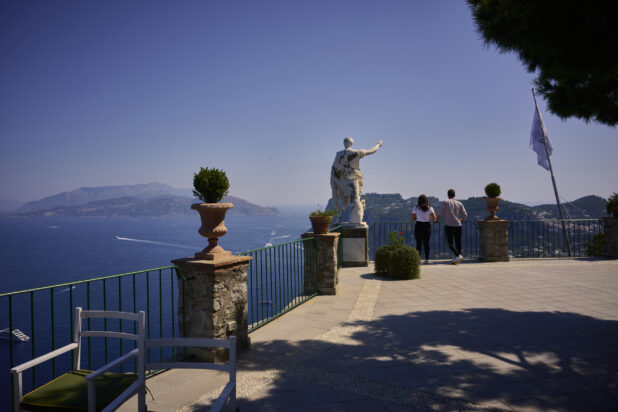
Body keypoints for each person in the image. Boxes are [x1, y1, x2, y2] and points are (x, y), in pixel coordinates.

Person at [330, 137, 383, 224]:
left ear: (344, 143)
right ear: (352, 143)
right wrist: (378, 144)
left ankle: (339, 218)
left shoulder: (338, 154)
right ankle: (356, 219)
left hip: (343, 181)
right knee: (355, 199)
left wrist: (335, 186)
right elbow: (372, 151)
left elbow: (334, 170)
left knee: (345, 201)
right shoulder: (356, 152)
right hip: (353, 179)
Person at [436, 189, 467, 264]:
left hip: (449, 225)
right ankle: (457, 258)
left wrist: (437, 220)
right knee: (458, 242)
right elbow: (465, 215)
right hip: (458, 225)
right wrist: (461, 220)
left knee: (449, 242)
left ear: (448, 195)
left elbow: (440, 213)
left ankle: (457, 256)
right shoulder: (459, 203)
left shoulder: (446, 202)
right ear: (454, 195)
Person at [411, 194, 436, 264]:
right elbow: (434, 218)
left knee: (418, 243)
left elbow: (413, 218)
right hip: (427, 226)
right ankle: (427, 259)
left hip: (418, 225)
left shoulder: (415, 208)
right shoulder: (430, 208)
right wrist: (429, 217)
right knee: (426, 243)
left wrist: (417, 217)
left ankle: (418, 259)